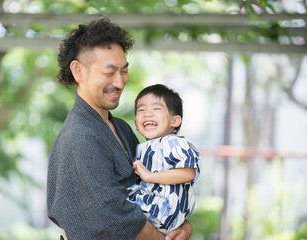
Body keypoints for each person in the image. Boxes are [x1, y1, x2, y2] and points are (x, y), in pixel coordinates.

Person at [46, 17, 192, 240]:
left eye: (123, 71)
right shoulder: (80, 135)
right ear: (78, 71)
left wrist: (182, 226)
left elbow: (157, 186)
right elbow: (117, 214)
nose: (120, 82)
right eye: (109, 72)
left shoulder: (122, 128)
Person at [127, 84, 201, 234]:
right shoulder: (145, 147)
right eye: (141, 110)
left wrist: (150, 176)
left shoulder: (172, 142)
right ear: (136, 124)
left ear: (174, 121)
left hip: (164, 209)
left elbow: (188, 173)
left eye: (156, 109)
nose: (147, 114)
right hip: (157, 210)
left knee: (113, 202)